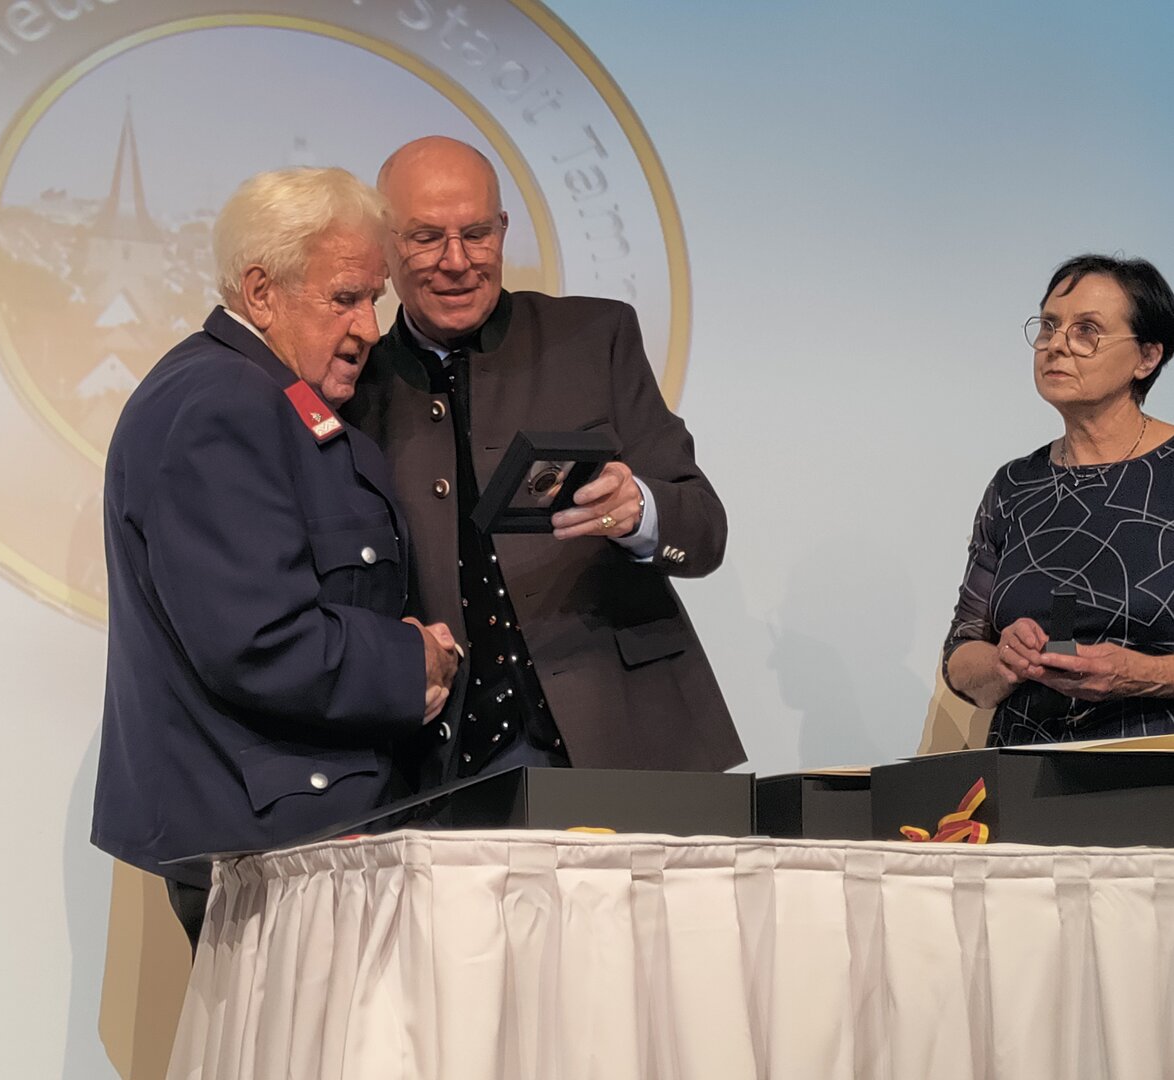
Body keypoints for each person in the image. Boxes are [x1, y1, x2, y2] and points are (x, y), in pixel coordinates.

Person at [91, 167, 459, 948]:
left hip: (293, 834)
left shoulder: (263, 394)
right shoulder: (226, 402)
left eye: (374, 299)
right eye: (345, 298)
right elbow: (258, 641)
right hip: (276, 847)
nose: (369, 328)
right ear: (261, 293)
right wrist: (412, 662)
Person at [343, 136, 744, 781]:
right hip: (444, 766)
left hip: (629, 741)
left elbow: (704, 532)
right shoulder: (353, 389)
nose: (456, 262)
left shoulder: (596, 337)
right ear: (385, 247)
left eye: (477, 234)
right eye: (426, 238)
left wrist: (638, 511)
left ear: (503, 230)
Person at [944, 254, 1174, 745]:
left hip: (1154, 765)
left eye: (1087, 331)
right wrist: (1004, 663)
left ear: (1147, 357)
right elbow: (960, 656)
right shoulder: (1014, 485)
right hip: (1024, 772)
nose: (1056, 345)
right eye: (1049, 326)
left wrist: (1139, 673)